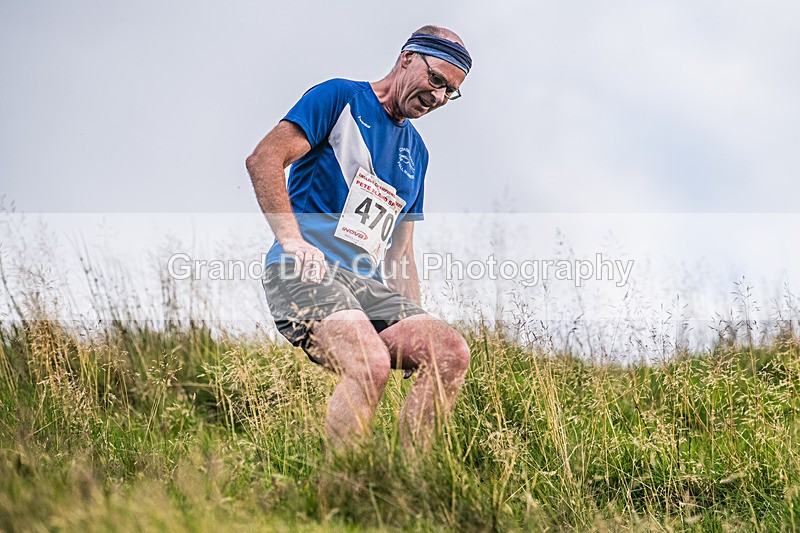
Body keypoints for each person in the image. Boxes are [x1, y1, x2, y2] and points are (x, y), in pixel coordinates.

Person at [246, 25, 472, 452]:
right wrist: (291, 239)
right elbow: (264, 158)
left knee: (449, 352)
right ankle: (342, 484)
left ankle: (410, 479)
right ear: (407, 58)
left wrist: (414, 320)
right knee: (370, 364)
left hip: (366, 286)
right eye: (436, 80)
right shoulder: (339, 97)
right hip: (306, 271)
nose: (439, 96)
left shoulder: (417, 153)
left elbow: (400, 252)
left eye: (451, 92)